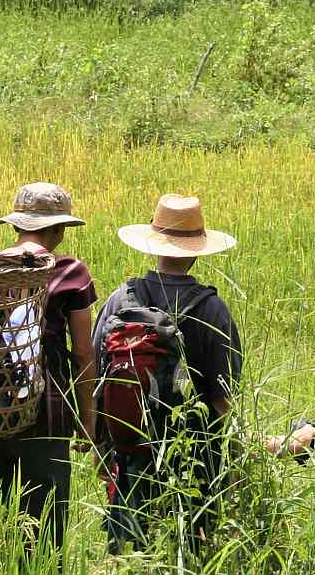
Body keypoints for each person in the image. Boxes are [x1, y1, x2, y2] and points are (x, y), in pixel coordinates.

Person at [94, 193, 242, 554]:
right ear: (197, 251)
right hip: (192, 450)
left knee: (128, 548)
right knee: (188, 546)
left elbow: (97, 372)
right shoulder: (213, 309)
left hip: (129, 444)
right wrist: (228, 459)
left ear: (153, 246)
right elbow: (223, 396)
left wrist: (101, 443)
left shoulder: (122, 298)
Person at [0, 183, 98, 565]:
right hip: (47, 412)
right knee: (46, 530)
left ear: (16, 226)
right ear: (59, 230)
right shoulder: (69, 271)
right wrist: (88, 420)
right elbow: (83, 352)